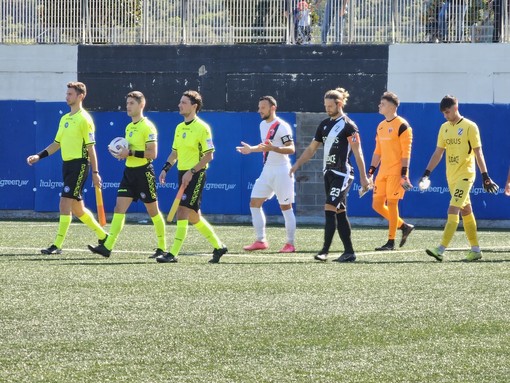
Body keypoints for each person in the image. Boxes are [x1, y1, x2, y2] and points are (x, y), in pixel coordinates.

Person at [26, 82, 108, 254]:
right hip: (67, 166)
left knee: (64, 203)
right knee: (78, 209)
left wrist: (95, 172)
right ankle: (103, 236)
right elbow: (57, 144)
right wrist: (38, 156)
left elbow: (91, 148)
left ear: (80, 96)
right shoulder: (64, 119)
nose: (67, 96)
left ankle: (57, 245)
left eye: (70, 94)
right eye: (67, 93)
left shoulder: (85, 119)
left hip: (80, 165)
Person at [290, 88, 370, 263]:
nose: (327, 108)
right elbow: (311, 149)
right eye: (325, 105)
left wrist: (364, 178)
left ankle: (324, 251)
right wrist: (297, 164)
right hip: (328, 173)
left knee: (329, 207)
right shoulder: (324, 125)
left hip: (343, 173)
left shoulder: (349, 125)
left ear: (339, 104)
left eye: (330, 105)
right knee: (340, 212)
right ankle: (349, 252)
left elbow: (358, 153)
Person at [88, 91, 167, 259]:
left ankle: (162, 248)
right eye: (127, 103)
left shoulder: (148, 126)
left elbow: (153, 154)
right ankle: (107, 247)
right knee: (119, 208)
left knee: (153, 211)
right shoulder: (129, 127)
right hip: (129, 173)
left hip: (144, 173)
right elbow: (129, 152)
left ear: (141, 105)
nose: (128, 106)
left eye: (132, 103)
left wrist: (129, 152)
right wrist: (122, 153)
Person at [420, 95, 499, 262]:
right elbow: (438, 152)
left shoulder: (470, 126)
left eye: (447, 112)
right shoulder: (444, 128)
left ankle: (440, 249)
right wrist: (427, 173)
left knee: (453, 209)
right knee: (466, 210)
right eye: (443, 113)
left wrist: (485, 176)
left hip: (466, 175)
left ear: (455, 107)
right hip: (452, 176)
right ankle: (476, 249)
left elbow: (478, 152)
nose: (445, 116)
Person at [157, 90, 227, 264]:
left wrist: (192, 172)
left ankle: (172, 253)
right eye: (180, 102)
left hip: (196, 174)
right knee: (194, 216)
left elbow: (209, 156)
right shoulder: (179, 128)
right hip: (182, 173)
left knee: (182, 212)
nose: (180, 105)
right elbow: (175, 153)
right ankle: (219, 247)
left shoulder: (202, 128)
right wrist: (165, 168)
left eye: (184, 103)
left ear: (194, 106)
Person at [236, 96, 297, 254]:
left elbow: (291, 149)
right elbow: (265, 146)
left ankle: (290, 244)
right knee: (254, 203)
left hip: (282, 171)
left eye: (262, 107)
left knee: (286, 207)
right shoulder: (263, 125)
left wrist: (274, 148)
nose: (259, 111)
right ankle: (261, 240)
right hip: (267, 171)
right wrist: (252, 149)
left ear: (272, 108)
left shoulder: (282, 126)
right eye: (259, 107)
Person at [368, 92, 415, 251]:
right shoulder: (380, 126)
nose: (379, 106)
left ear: (392, 106)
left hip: (396, 172)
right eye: (380, 103)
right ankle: (404, 226)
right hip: (382, 172)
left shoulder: (402, 125)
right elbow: (377, 151)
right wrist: (371, 171)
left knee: (392, 203)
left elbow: (406, 152)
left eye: (383, 104)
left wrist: (404, 173)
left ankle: (390, 241)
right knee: (377, 204)